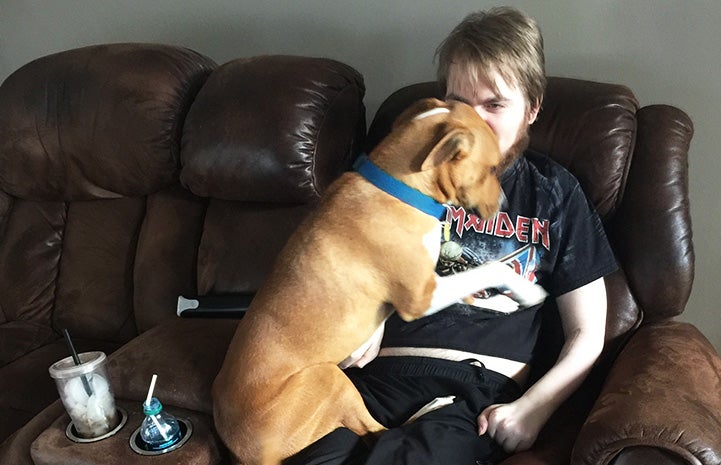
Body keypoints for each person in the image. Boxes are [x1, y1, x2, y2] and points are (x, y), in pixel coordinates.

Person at [288, 6, 617, 465]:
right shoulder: (411, 172)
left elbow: (588, 332)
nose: (470, 120)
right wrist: (367, 321)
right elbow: (358, 263)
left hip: (473, 393)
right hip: (376, 379)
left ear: (533, 108)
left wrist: (532, 411)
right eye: (458, 101)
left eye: (495, 104)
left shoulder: (554, 192)